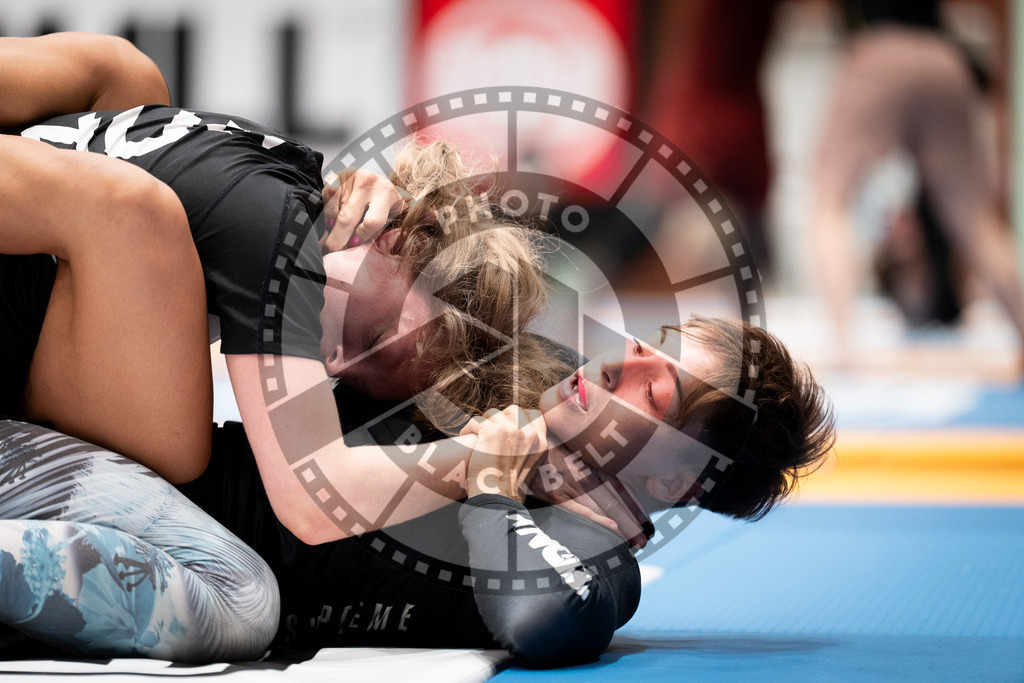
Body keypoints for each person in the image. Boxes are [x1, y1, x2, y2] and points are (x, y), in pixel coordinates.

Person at [810, 0, 1024, 366]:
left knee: (829, 202)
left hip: (880, 50)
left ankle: (844, 344)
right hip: (942, 56)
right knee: (977, 221)